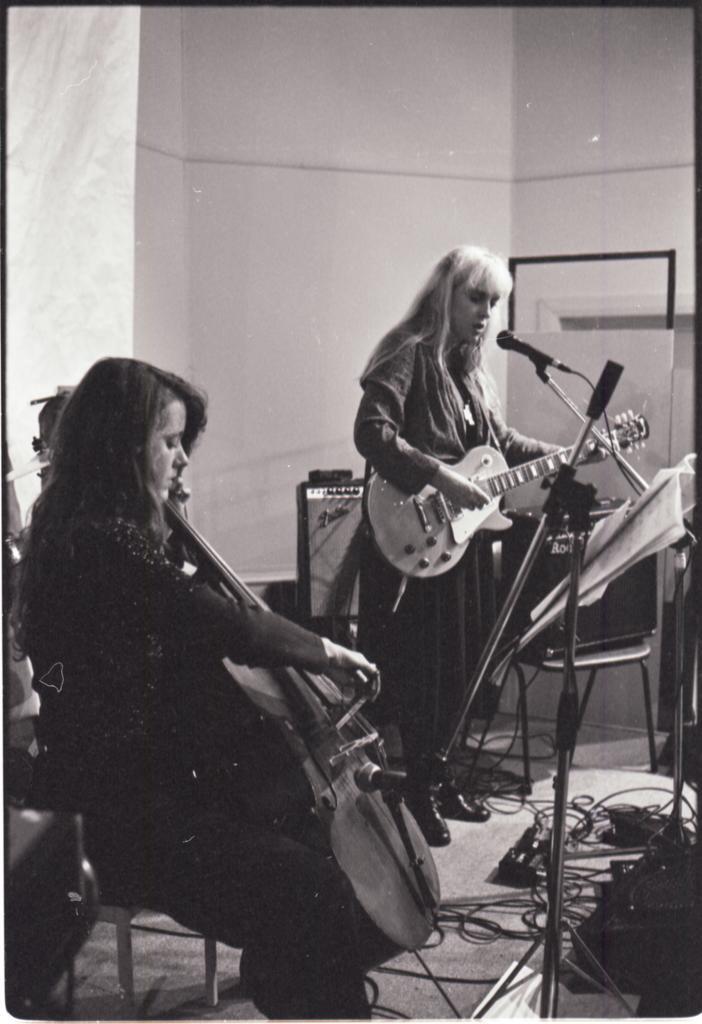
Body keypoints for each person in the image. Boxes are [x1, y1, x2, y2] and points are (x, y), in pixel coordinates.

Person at [12, 356, 390, 1020]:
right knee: (318, 891)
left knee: (329, 872)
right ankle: (295, 979)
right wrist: (326, 651)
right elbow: (220, 623)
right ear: (124, 447)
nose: (183, 457)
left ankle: (285, 973)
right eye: (169, 440)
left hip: (153, 785)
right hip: (114, 812)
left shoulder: (93, 531)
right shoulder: (99, 544)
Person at [354, 245, 557, 847]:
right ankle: (416, 790)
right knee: (423, 668)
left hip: (461, 541)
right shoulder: (407, 351)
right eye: (476, 298)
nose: (486, 313)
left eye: (495, 302)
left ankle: (438, 779)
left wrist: (563, 454)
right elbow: (372, 433)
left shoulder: (471, 372)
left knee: (462, 664)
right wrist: (442, 478)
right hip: (414, 533)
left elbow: (500, 445)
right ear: (445, 293)